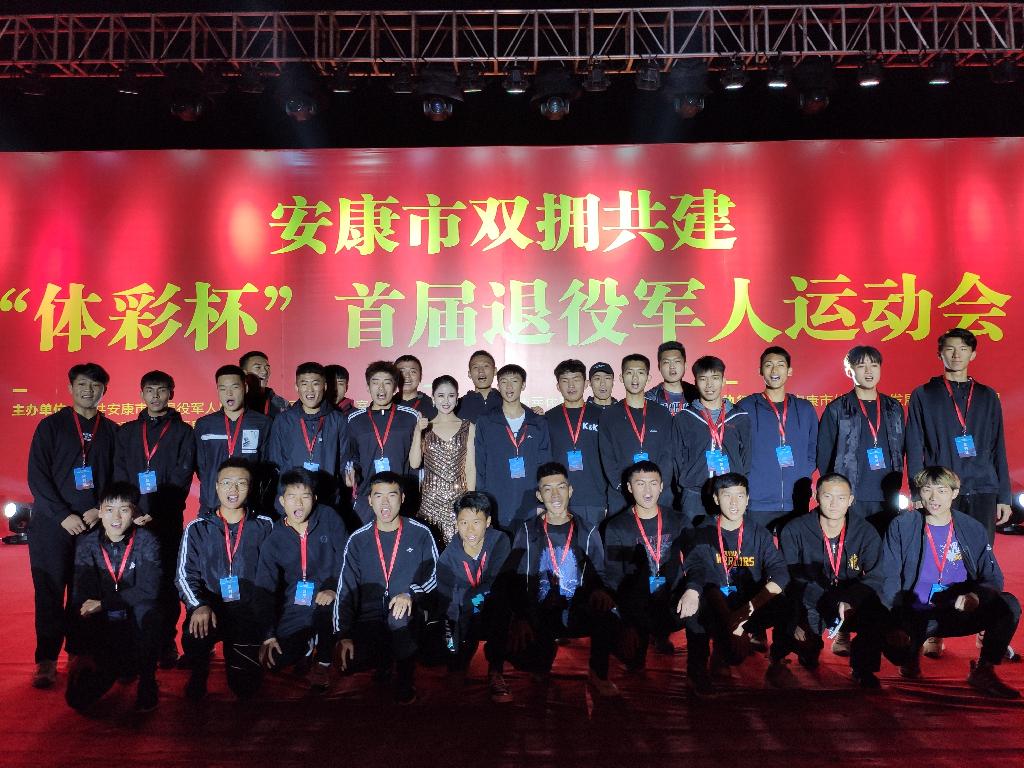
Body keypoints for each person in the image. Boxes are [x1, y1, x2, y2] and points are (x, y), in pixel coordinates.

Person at [881, 466, 1020, 699]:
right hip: (915, 611)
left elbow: (993, 577)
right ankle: (910, 654)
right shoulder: (902, 525)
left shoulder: (972, 528)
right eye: (927, 490)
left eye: (942, 490)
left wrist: (976, 596)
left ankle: (984, 671)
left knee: (1009, 605)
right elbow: (889, 576)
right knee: (897, 651)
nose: (934, 498)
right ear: (919, 492)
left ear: (955, 493)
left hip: (957, 609)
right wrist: (893, 621)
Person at [27, 362, 118, 689]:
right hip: (52, 526)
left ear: (104, 390)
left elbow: (118, 476)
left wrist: (99, 510)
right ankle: (46, 660)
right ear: (70, 388)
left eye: (95, 386)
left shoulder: (113, 431)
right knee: (49, 591)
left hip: (94, 526)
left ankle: (78, 653)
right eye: (82, 384)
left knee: (85, 593)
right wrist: (61, 515)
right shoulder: (50, 426)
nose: (88, 391)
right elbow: (37, 477)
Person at [506, 463, 619, 696]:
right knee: (520, 647)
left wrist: (601, 591)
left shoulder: (587, 530)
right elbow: (516, 578)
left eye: (561, 487)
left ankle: (598, 672)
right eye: (547, 489)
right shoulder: (527, 531)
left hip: (577, 608)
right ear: (539, 495)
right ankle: (541, 658)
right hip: (541, 610)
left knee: (607, 612)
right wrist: (521, 616)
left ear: (570, 490)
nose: (555, 495)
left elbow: (602, 573)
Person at [333, 472, 439, 704]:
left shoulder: (420, 533)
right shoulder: (358, 540)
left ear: (402, 498)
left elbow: (435, 576)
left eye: (391, 495)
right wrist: (344, 634)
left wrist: (411, 594)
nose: (385, 503)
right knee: (348, 661)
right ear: (369, 500)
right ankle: (383, 662)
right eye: (378, 496)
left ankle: (405, 678)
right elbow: (346, 588)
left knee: (398, 618)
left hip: (408, 615)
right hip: (370, 618)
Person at [113, 369, 195, 669]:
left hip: (166, 519)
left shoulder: (183, 432)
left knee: (166, 582)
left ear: (171, 393)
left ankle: (165, 643)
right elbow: (120, 471)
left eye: (162, 390)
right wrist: (131, 510)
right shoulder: (127, 432)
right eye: (150, 390)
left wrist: (157, 512)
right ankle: (132, 641)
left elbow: (183, 475)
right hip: (131, 520)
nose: (156, 395)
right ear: (141, 393)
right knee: (131, 580)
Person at [685, 473, 795, 692]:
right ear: (716, 498)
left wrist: (746, 613)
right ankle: (697, 669)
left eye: (740, 496)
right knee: (692, 602)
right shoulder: (702, 532)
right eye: (727, 496)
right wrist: (731, 623)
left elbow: (780, 573)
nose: (734, 503)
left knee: (788, 602)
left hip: (748, 605)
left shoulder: (759, 533)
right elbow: (703, 580)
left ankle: (777, 661)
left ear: (747, 499)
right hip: (716, 606)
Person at [176, 458, 274, 700]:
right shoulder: (198, 527)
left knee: (246, 689)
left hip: (248, 612)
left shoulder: (265, 526)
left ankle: (242, 657)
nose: (233, 489)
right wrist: (198, 605)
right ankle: (199, 672)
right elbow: (184, 575)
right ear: (217, 486)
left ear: (250, 488)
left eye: (241, 483)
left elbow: (274, 574)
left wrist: (267, 619)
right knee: (194, 634)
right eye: (227, 483)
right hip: (212, 608)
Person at [779, 473, 887, 688]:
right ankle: (804, 649)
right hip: (811, 599)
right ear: (816, 497)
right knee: (799, 633)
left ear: (851, 500)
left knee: (877, 610)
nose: (834, 504)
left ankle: (863, 668)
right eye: (827, 496)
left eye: (841, 498)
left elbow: (877, 575)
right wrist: (807, 610)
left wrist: (851, 599)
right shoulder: (794, 529)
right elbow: (787, 575)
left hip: (848, 599)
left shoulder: (865, 531)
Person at [906, 328, 1011, 544]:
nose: (956, 355)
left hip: (983, 488)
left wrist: (1004, 496)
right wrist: (918, 493)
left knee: (980, 552)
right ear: (940, 354)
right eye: (950, 349)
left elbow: (998, 447)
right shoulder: (924, 394)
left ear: (972, 354)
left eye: (963, 349)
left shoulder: (987, 396)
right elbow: (914, 446)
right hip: (940, 490)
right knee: (942, 552)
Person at [66, 482, 162, 712]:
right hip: (105, 628)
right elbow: (81, 595)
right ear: (100, 512)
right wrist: (81, 650)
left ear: (134, 512)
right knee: (78, 699)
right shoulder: (87, 545)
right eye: (109, 510)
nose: (116, 517)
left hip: (135, 624)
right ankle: (114, 665)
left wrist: (105, 603)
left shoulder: (147, 541)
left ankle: (147, 680)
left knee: (149, 611)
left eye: (124, 510)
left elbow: (149, 589)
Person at [603, 461, 701, 670]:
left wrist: (693, 590)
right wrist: (625, 621)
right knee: (631, 661)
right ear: (629, 487)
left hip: (673, 601)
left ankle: (697, 671)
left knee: (704, 601)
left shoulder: (679, 520)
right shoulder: (617, 526)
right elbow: (614, 576)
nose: (647, 491)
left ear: (661, 486)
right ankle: (639, 640)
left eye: (653, 483)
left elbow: (697, 560)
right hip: (636, 604)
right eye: (640, 484)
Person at [256, 468, 348, 691]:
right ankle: (308, 643)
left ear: (314, 498)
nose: (298, 503)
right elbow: (264, 588)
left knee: (325, 610)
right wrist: (268, 635)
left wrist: (333, 588)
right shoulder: (275, 537)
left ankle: (323, 662)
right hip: (297, 605)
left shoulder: (329, 518)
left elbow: (347, 559)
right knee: (275, 660)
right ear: (282, 501)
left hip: (330, 595)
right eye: (292, 497)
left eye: (305, 496)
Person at [816, 346, 905, 533]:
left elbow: (902, 448)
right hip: (851, 496)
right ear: (849, 371)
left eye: (874, 365)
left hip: (887, 495)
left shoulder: (893, 407)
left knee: (884, 545)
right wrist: (836, 492)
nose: (868, 371)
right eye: (861, 366)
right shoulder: (838, 408)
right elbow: (824, 455)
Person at [435, 491, 514, 703]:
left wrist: (472, 603)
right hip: (463, 614)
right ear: (456, 524)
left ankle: (496, 671)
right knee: (449, 630)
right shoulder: (447, 558)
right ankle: (457, 665)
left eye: (476, 522)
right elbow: (447, 604)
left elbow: (497, 583)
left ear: (488, 522)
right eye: (464, 522)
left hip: (489, 607)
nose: (470, 530)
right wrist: (452, 649)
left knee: (500, 605)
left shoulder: (500, 541)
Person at [737, 346, 818, 533]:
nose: (774, 370)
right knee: (757, 550)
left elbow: (814, 449)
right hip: (757, 501)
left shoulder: (804, 409)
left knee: (793, 551)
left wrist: (801, 473)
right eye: (768, 365)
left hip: (796, 500)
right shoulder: (746, 407)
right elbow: (736, 449)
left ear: (790, 370)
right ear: (760, 371)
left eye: (780, 365)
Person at [673, 356, 751, 526]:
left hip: (730, 495)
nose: (709, 385)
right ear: (695, 382)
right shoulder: (684, 418)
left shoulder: (740, 417)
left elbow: (747, 457)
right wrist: (688, 484)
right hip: (694, 495)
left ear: (723, 381)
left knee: (729, 541)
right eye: (703, 379)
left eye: (715, 378)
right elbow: (677, 459)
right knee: (693, 541)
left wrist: (736, 485)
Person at [474, 364, 552, 531]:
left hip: (531, 506)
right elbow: (480, 464)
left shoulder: (537, 422)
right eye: (504, 382)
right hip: (496, 504)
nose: (509, 387)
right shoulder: (486, 422)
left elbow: (545, 466)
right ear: (498, 386)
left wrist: (542, 502)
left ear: (523, 385)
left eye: (514, 381)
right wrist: (483, 503)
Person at [345, 361, 419, 524]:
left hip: (401, 498)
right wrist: (351, 471)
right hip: (367, 498)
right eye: (375, 382)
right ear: (368, 387)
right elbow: (351, 456)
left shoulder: (411, 417)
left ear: (395, 388)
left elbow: (417, 462)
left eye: (387, 383)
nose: (381, 389)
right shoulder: (355, 419)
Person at [266, 361, 349, 510]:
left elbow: (344, 461)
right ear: (296, 387)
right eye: (304, 384)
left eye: (315, 384)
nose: (310, 390)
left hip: (327, 500)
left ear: (324, 386)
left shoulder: (338, 419)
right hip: (292, 502)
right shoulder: (284, 420)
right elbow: (275, 462)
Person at [598, 354, 673, 510]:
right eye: (629, 372)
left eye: (640, 372)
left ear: (648, 377)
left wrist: (658, 485)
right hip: (621, 495)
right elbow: (607, 456)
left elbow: (668, 454)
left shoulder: (662, 414)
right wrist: (623, 486)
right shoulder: (609, 415)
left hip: (658, 494)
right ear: (621, 377)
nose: (635, 378)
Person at [194, 364, 271, 515]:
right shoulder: (205, 424)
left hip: (250, 506)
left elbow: (266, 464)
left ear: (245, 388)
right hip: (212, 504)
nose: (229, 393)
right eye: (223, 389)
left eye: (235, 387)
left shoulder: (262, 423)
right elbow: (200, 466)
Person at [409, 375, 476, 546]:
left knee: (459, 549)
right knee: (431, 548)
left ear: (457, 398)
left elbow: (470, 468)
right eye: (441, 395)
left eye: (451, 395)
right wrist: (417, 431)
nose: (446, 401)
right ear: (433, 398)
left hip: (459, 500)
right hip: (430, 502)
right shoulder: (425, 427)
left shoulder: (468, 427)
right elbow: (414, 463)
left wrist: (469, 501)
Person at [545, 359, 606, 529]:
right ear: (558, 386)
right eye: (565, 381)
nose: (571, 386)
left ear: (586, 383)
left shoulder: (602, 416)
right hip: (558, 500)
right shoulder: (548, 418)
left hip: (595, 498)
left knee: (594, 545)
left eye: (576, 380)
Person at [645, 340, 700, 416]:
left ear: (685, 365)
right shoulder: (649, 398)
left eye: (677, 361)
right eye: (666, 362)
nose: (672, 367)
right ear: (659, 367)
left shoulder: (698, 395)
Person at [240, 350, 290, 418]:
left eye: (267, 368)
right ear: (244, 373)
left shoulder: (282, 404)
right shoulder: (235, 401)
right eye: (258, 367)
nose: (265, 372)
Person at [456, 350, 502, 423]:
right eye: (475, 367)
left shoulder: (506, 403)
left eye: (486, 366)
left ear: (495, 371)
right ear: (469, 374)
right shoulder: (457, 406)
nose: (481, 371)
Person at [395, 354, 438, 419]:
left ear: (420, 377)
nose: (407, 376)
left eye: (413, 372)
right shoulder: (385, 404)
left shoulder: (432, 405)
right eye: (401, 372)